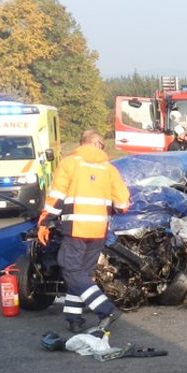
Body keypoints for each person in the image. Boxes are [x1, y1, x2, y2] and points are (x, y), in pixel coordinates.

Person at [37, 130, 130, 332]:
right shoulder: (109, 169)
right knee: (82, 274)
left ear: (82, 143)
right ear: (97, 144)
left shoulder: (69, 164)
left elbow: (56, 197)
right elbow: (123, 203)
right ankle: (74, 318)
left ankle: (106, 310)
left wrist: (45, 221)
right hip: (98, 230)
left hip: (75, 228)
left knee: (70, 270)